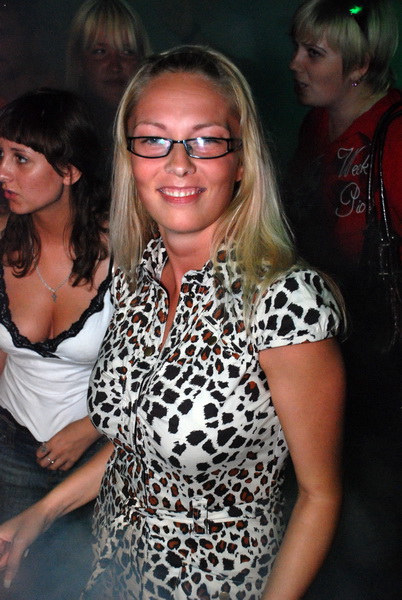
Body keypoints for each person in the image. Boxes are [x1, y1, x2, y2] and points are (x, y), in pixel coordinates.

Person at [0, 46, 344, 600]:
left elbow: (319, 497)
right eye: (153, 140)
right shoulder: (138, 276)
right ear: (130, 159)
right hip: (110, 569)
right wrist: (42, 514)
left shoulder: (285, 302)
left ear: (241, 161)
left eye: (205, 140)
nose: (178, 163)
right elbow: (137, 444)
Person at [286, 1, 402, 597]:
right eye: (298, 47)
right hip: (320, 350)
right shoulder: (315, 126)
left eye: (314, 53)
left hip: (382, 370)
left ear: (359, 67)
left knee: (370, 521)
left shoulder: (396, 132)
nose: (294, 63)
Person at [0, 89, 113, 598]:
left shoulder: (130, 249)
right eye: (0, 155)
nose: (3, 172)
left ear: (69, 170)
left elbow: (158, 372)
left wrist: (91, 428)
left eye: (20, 159)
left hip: (102, 453)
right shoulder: (2, 239)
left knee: (83, 584)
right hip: (11, 443)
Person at [65, 0, 151, 168]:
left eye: (127, 52)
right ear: (79, 61)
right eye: (100, 52)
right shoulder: (65, 135)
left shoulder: (158, 127)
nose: (115, 66)